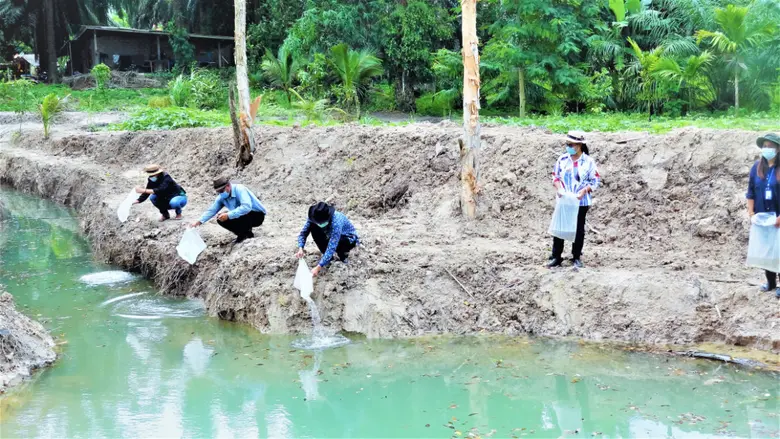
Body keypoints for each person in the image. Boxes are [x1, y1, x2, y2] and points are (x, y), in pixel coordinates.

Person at [547, 131, 601, 269]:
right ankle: (556, 256)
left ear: (579, 146)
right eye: (567, 144)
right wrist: (559, 189)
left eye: (571, 144)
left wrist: (583, 191)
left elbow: (595, 180)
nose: (568, 147)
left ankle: (576, 257)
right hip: (564, 199)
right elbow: (555, 176)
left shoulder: (588, 162)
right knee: (560, 227)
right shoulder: (563, 160)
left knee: (578, 229)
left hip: (581, 201)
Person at [746, 133, 780, 298]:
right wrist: (751, 213)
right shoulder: (757, 167)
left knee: (778, 250)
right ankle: (771, 282)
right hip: (762, 216)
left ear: (778, 149)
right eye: (765, 146)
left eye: (771, 146)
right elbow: (750, 192)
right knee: (767, 250)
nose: (767, 149)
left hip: (778, 217)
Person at [190, 177, 267, 243]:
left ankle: (247, 234)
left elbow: (246, 207)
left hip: (257, 215)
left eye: (222, 191)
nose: (221, 193)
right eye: (218, 192)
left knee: (239, 213)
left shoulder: (239, 189)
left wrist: (228, 215)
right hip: (243, 217)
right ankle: (242, 234)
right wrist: (198, 222)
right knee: (220, 218)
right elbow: (212, 210)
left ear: (228, 186)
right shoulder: (221, 198)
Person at [295, 202, 359, 277]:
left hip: (347, 238)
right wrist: (300, 248)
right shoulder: (313, 217)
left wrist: (318, 267)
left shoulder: (336, 221)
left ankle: (343, 256)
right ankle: (328, 257)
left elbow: (332, 245)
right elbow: (303, 233)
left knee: (340, 243)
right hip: (328, 235)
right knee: (314, 230)